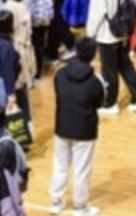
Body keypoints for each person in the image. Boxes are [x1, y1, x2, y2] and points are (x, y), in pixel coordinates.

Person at [50, 37, 105, 216]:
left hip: (62, 127)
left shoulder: (59, 74)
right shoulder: (95, 81)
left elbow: (59, 93)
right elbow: (99, 103)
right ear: (93, 55)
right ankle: (80, 207)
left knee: (60, 165)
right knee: (82, 169)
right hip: (84, 130)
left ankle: (56, 202)